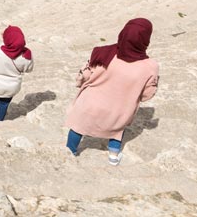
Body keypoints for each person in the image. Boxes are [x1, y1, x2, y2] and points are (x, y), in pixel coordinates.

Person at [65, 18, 159, 166]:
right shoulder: (150, 67)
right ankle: (113, 156)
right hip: (119, 109)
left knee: (78, 126)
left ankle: (70, 151)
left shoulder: (103, 52)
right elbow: (147, 94)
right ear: (146, 39)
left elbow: (86, 74)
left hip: (90, 104)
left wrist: (80, 81)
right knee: (117, 129)